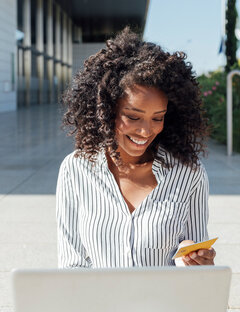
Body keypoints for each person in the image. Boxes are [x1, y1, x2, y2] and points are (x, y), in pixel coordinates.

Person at [56, 26, 216, 269]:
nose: (145, 131)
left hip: (165, 305)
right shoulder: (75, 168)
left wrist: (197, 260)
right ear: (107, 111)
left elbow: (194, 261)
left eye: (157, 117)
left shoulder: (189, 174)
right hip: (99, 305)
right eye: (133, 117)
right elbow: (71, 265)